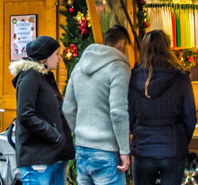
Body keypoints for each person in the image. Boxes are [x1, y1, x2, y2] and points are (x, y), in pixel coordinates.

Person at [63, 25, 133, 185]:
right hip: (107, 151)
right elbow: (118, 111)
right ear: (122, 44)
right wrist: (124, 150)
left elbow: (67, 108)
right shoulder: (118, 67)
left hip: (82, 148)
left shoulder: (78, 67)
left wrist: (79, 133)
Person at [128, 29, 196, 185]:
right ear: (167, 48)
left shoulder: (132, 78)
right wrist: (181, 141)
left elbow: (130, 116)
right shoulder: (181, 78)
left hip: (143, 148)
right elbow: (190, 118)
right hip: (173, 147)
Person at [10, 35, 75, 185]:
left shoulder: (45, 78)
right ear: (44, 57)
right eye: (57, 54)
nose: (60, 59)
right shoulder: (30, 77)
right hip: (38, 158)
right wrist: (53, 134)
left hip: (55, 157)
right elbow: (25, 114)